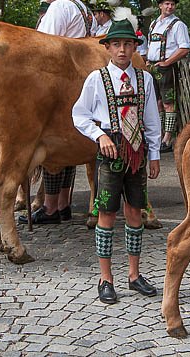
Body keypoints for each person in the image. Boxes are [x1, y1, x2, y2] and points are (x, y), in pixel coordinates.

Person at [71, 16, 161, 304]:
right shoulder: (96, 79)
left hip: (137, 153)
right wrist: (100, 136)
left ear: (135, 47)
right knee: (107, 213)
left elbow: (152, 120)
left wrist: (155, 153)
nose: (122, 50)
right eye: (117, 44)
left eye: (128, 44)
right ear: (108, 47)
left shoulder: (145, 79)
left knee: (135, 211)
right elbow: (79, 114)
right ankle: (105, 278)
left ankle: (134, 275)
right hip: (110, 152)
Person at [26, 0, 97, 225]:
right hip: (80, 77)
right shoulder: (84, 9)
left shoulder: (59, 8)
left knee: (53, 146)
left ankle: (51, 206)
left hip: (58, 80)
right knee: (69, 146)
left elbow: (43, 43)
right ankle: (64, 204)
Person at [146, 0, 190, 153]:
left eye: (172, 4)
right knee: (156, 102)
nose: (170, 7)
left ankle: (167, 138)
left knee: (168, 102)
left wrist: (167, 62)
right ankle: (158, 135)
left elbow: (185, 48)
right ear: (160, 6)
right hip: (152, 67)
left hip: (166, 69)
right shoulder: (154, 24)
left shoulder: (178, 25)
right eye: (167, 4)